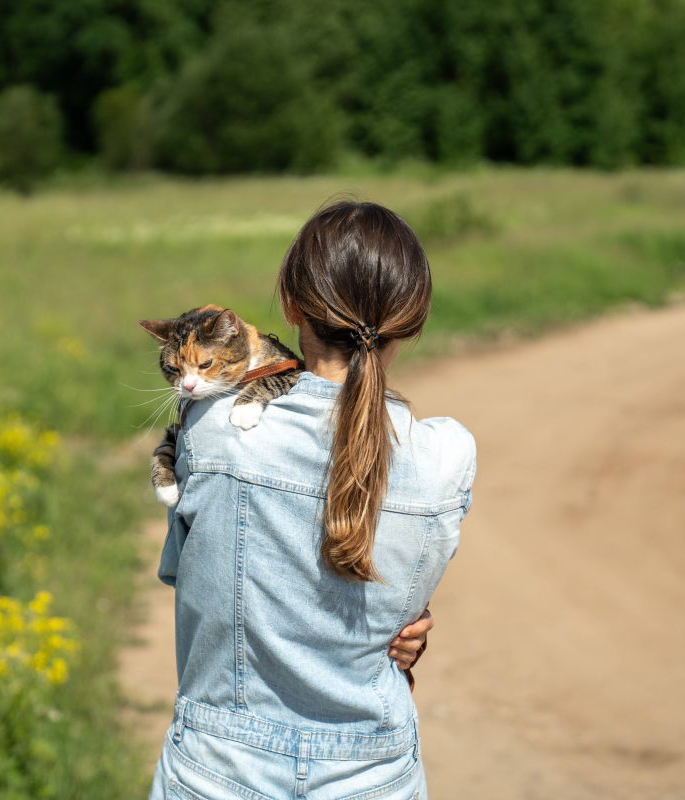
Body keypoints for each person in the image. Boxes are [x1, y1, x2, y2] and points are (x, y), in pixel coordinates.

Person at [148, 200, 476, 799]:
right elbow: (400, 622)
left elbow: (189, 578)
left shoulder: (212, 431)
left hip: (218, 772)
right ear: (412, 323)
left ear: (291, 306)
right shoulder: (446, 458)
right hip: (372, 777)